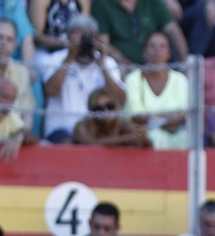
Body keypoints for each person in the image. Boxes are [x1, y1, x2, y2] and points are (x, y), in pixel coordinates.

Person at [41, 14, 125, 143]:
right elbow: (51, 90)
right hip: (61, 129)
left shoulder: (107, 63)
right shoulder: (57, 59)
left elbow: (120, 99)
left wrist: (102, 66)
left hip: (97, 131)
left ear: (96, 38)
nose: (83, 40)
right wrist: (69, 59)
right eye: (77, 35)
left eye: (86, 35)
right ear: (68, 38)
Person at [123, 31, 190, 149]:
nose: (157, 51)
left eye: (162, 46)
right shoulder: (133, 78)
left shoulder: (180, 80)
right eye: (152, 46)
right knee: (155, 136)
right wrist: (167, 118)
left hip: (176, 133)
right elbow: (136, 116)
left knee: (187, 138)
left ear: (169, 52)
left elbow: (182, 114)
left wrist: (154, 119)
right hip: (143, 136)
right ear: (144, 52)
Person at [91, 0, 183, 64]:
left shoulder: (152, 2)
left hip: (154, 67)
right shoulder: (102, 4)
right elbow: (103, 43)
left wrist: (184, 62)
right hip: (121, 67)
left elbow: (173, 31)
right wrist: (123, 61)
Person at [72, 86, 154, 145]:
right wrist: (127, 138)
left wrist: (141, 136)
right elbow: (91, 144)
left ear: (116, 106)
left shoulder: (122, 124)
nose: (105, 111)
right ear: (91, 111)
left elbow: (148, 146)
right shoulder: (82, 126)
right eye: (98, 109)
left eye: (110, 106)